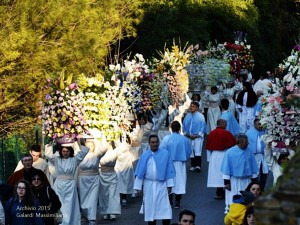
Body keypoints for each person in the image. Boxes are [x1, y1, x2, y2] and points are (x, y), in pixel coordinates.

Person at [45, 138, 89, 225]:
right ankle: (61, 222)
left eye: (67, 151)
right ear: (61, 151)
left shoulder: (75, 159)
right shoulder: (57, 159)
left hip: (70, 185)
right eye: (64, 151)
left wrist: (80, 142)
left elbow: (83, 152)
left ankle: (70, 222)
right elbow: (48, 155)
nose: (65, 153)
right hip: (59, 185)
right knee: (59, 204)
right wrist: (50, 142)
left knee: (70, 205)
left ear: (70, 151)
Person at [134, 134, 175, 225]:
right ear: (149, 143)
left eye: (156, 142)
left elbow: (169, 170)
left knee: (164, 208)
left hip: (161, 185)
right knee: (150, 209)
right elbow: (140, 172)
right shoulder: (145, 155)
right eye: (153, 142)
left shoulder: (165, 154)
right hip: (149, 186)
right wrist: (138, 187)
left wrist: (170, 185)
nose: (155, 144)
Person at [221, 134, 258, 214]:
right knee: (233, 196)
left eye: (247, 142)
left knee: (246, 198)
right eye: (245, 142)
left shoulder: (249, 151)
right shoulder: (230, 152)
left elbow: (253, 166)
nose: (247, 143)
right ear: (239, 142)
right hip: (234, 180)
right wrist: (226, 183)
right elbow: (226, 168)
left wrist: (254, 181)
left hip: (247, 180)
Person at [160, 121, 192, 209]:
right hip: (180, 163)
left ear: (171, 128)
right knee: (180, 182)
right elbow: (189, 151)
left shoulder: (166, 139)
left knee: (170, 181)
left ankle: (170, 201)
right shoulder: (184, 139)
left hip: (169, 162)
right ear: (179, 128)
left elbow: (161, 150)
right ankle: (177, 201)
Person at [77, 138, 107, 225]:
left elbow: (104, 149)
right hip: (82, 179)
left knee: (93, 199)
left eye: (91, 145)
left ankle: (92, 218)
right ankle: (85, 216)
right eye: (88, 146)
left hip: (94, 178)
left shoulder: (96, 155)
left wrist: (101, 137)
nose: (90, 147)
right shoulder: (80, 155)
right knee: (83, 199)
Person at [206, 119, 236, 199]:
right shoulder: (227, 133)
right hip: (225, 154)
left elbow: (208, 147)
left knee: (217, 175)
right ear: (222, 124)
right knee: (225, 173)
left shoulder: (212, 133)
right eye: (225, 124)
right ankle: (227, 190)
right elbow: (233, 146)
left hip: (214, 155)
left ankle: (219, 192)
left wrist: (209, 159)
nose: (226, 125)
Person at [98, 141, 121, 221]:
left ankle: (113, 212)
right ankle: (105, 211)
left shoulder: (115, 151)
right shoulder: (100, 152)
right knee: (104, 194)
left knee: (112, 194)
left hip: (112, 174)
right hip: (103, 175)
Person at [183, 101, 207, 172]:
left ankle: (198, 166)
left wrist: (197, 135)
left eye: (193, 106)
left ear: (197, 108)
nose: (191, 108)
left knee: (197, 151)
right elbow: (184, 125)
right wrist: (187, 134)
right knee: (191, 152)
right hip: (189, 136)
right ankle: (192, 165)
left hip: (197, 137)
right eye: (191, 106)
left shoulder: (201, 116)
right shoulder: (187, 115)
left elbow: (202, 127)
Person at [246, 119, 268, 191]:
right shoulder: (249, 133)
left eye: (261, 124)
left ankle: (262, 189)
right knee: (254, 174)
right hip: (254, 157)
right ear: (254, 124)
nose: (260, 126)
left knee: (264, 173)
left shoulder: (265, 132)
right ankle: (254, 189)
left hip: (263, 156)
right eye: (258, 124)